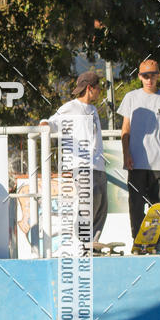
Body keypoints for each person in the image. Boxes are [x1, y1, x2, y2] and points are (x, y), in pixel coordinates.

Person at [40, 70, 107, 243]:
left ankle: (93, 241)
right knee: (90, 196)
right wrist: (45, 123)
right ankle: (82, 236)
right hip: (81, 163)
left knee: (101, 204)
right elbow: (53, 121)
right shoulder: (70, 107)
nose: (100, 91)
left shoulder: (93, 109)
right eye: (98, 87)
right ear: (90, 88)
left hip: (98, 164)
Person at [118, 59, 160, 251]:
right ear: (139, 77)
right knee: (136, 203)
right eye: (145, 76)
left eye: (152, 75)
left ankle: (155, 241)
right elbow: (125, 128)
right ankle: (137, 240)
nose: (149, 79)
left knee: (158, 205)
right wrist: (126, 153)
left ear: (158, 76)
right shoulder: (131, 97)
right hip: (137, 160)